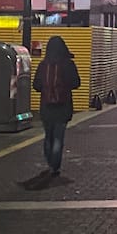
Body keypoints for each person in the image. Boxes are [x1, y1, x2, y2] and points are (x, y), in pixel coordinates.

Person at [26, 33, 81, 185]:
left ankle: (50, 162)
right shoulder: (68, 64)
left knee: (48, 136)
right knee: (58, 137)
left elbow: (36, 86)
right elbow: (76, 83)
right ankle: (54, 167)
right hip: (63, 107)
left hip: (46, 107)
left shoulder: (43, 65)